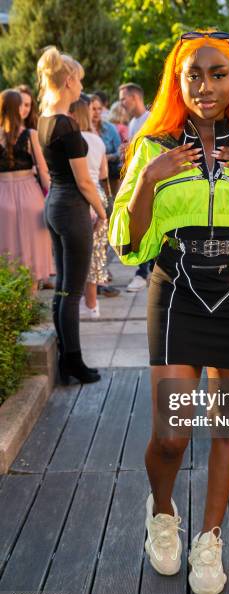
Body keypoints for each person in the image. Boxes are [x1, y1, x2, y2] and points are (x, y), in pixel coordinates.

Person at [109, 30, 229, 594]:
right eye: (194, 74)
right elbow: (130, 242)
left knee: (226, 427)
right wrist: (150, 178)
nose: (206, 85)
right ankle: (163, 514)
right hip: (175, 287)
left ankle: (210, 538)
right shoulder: (152, 145)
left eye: (218, 74)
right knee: (171, 436)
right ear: (179, 81)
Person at [37, 46, 107, 384]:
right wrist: (102, 210)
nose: (82, 87)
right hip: (71, 208)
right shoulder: (66, 124)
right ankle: (73, 361)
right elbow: (84, 180)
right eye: (79, 81)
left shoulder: (45, 118)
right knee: (72, 291)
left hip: (55, 205)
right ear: (68, 81)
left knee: (63, 289)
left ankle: (68, 359)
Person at [0, 89, 53, 292]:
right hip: (30, 196)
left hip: (2, 196)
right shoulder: (31, 135)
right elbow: (43, 171)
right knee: (32, 253)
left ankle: (11, 303)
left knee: (6, 251)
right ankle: (29, 306)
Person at [69, 96, 112, 320]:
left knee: (75, 254)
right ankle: (93, 305)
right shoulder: (97, 139)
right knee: (95, 254)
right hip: (99, 194)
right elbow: (103, 174)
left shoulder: (71, 140)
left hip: (81, 196)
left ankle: (75, 303)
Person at [118, 83, 152, 292]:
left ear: (135, 97)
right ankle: (142, 270)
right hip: (137, 181)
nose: (121, 103)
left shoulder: (150, 119)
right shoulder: (132, 122)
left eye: (124, 98)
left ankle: (143, 272)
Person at [90, 94, 121, 195]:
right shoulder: (82, 129)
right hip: (91, 177)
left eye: (99, 109)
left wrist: (108, 157)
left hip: (110, 177)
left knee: (110, 206)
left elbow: (120, 151)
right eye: (93, 109)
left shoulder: (110, 128)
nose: (97, 112)